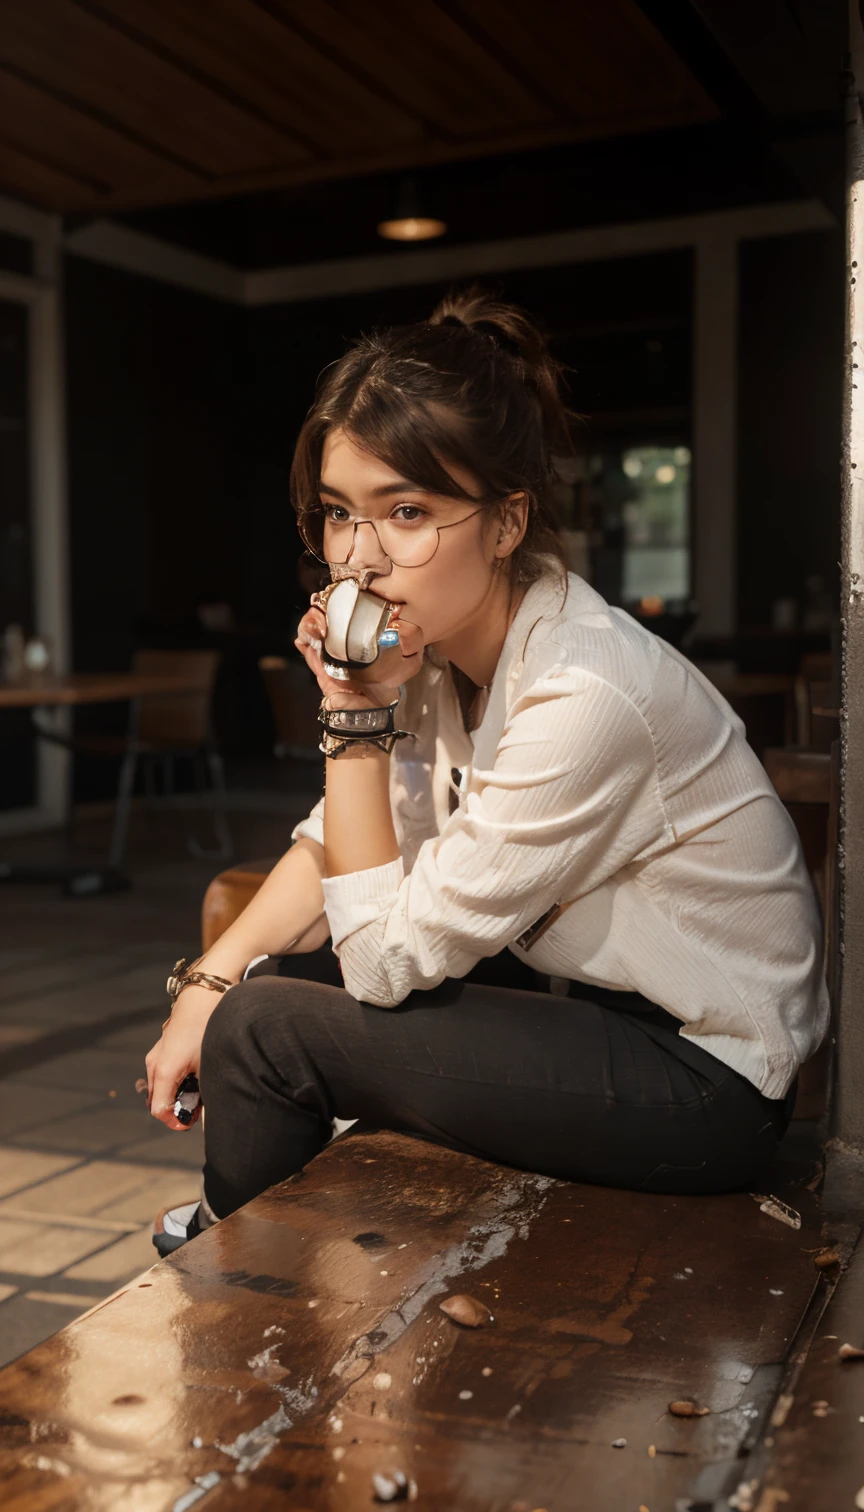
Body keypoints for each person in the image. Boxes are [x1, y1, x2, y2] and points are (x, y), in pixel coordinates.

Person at [146, 289, 828, 1255]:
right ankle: (283, 1249)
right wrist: (204, 984)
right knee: (272, 980)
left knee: (273, 1031)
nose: (361, 560)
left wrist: (351, 713)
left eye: (409, 511)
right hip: (591, 1019)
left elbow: (381, 963)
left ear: (508, 524)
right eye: (339, 515)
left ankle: (232, 1281)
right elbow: (332, 843)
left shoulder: (587, 686)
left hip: (704, 1084)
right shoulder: (438, 655)